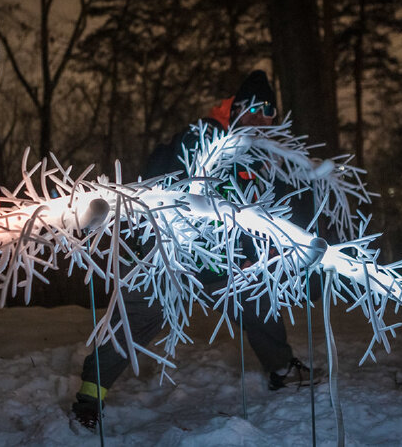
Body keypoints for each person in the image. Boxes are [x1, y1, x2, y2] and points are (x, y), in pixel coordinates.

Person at [71, 70, 313, 430]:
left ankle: (281, 368)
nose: (263, 119)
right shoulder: (202, 136)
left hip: (220, 261)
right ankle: (90, 397)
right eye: (257, 109)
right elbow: (171, 184)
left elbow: (255, 215)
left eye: (270, 113)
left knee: (258, 295)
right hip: (167, 256)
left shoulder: (263, 161)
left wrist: (257, 253)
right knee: (136, 319)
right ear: (238, 108)